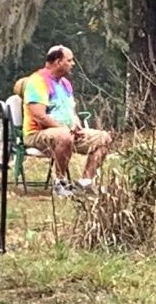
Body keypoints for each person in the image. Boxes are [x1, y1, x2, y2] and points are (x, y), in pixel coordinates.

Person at [23, 45, 112, 196]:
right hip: (38, 134)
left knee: (104, 138)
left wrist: (76, 125)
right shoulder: (37, 81)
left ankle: (85, 182)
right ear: (58, 61)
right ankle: (60, 183)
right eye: (69, 60)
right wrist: (66, 129)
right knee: (65, 136)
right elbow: (39, 116)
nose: (73, 64)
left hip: (68, 133)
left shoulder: (65, 84)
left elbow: (71, 111)